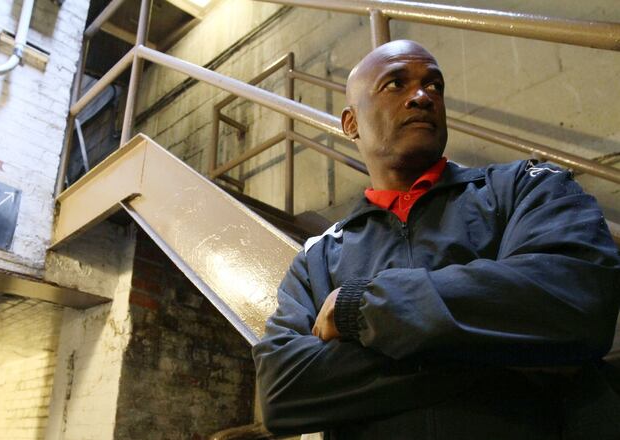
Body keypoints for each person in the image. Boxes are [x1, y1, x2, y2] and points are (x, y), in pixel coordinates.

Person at [252, 40, 620, 439]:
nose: (423, 96)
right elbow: (282, 391)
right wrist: (504, 344)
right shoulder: (318, 258)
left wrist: (364, 307)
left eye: (435, 85)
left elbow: (573, 300)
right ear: (351, 123)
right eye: (395, 84)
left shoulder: (524, 189)